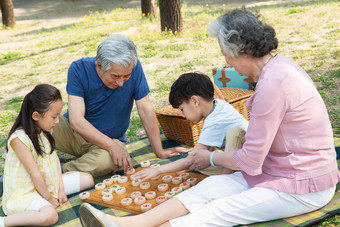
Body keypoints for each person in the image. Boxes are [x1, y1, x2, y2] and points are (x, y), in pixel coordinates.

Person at [77, 9, 340, 227]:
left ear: (240, 50)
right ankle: (127, 225)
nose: (225, 61)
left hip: (302, 185)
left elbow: (250, 159)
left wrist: (211, 157)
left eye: (225, 53)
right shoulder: (279, 68)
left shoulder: (273, 85)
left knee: (219, 209)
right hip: (275, 171)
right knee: (210, 188)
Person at [52, 34, 186, 178]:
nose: (121, 83)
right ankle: (74, 166)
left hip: (109, 141)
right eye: (115, 76)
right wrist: (112, 147)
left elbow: (145, 109)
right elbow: (76, 121)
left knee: (111, 161)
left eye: (126, 76)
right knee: (35, 118)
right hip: (73, 135)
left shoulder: (134, 67)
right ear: (98, 65)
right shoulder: (78, 69)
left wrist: (159, 150)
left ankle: (60, 169)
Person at [0, 84, 94, 227]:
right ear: (36, 115)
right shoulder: (19, 139)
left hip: (46, 184)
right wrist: (50, 198)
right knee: (50, 215)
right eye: (54, 117)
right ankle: (3, 222)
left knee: (88, 179)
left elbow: (54, 159)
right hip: (26, 193)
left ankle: (46, 197)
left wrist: (61, 189)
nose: (57, 121)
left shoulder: (45, 130)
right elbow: (35, 173)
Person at [136, 71, 249, 178]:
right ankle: (231, 173)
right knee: (199, 164)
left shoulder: (215, 122)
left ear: (195, 101)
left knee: (194, 160)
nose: (184, 115)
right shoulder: (219, 104)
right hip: (241, 158)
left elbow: (191, 158)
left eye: (182, 109)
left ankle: (226, 179)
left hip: (250, 160)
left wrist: (158, 170)